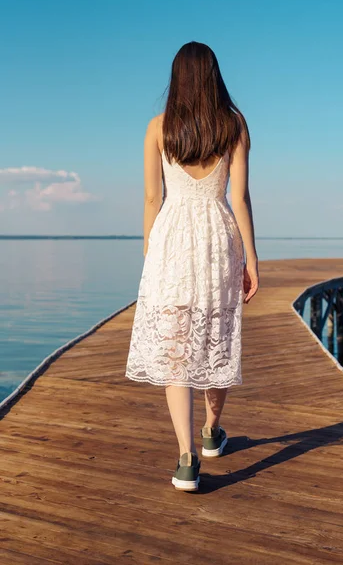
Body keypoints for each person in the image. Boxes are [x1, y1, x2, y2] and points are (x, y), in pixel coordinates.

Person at [125, 41, 259, 491]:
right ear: (214, 76)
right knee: (215, 335)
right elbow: (238, 198)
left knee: (177, 349)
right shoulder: (234, 125)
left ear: (177, 78)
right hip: (218, 238)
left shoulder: (158, 128)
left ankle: (185, 459)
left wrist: (150, 251)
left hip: (171, 239)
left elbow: (151, 198)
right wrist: (252, 258)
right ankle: (211, 433)